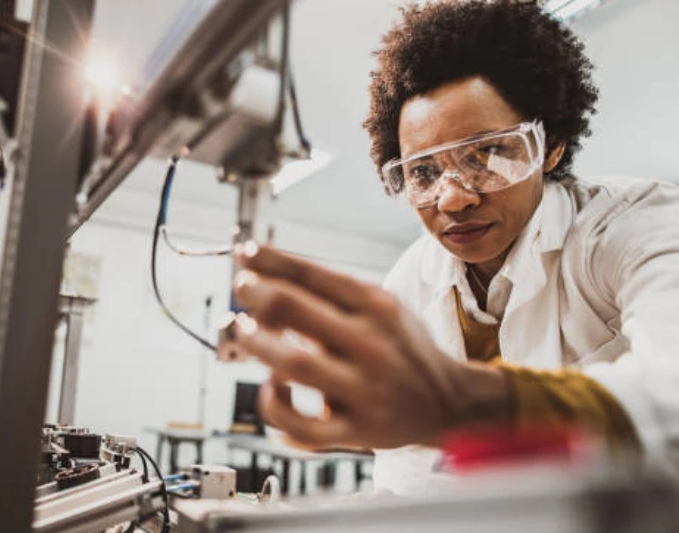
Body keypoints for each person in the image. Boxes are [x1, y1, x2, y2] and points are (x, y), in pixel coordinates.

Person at [229, 0, 679, 493]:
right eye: (423, 172)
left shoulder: (637, 225)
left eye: (487, 155)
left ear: (551, 146)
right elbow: (410, 480)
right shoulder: (412, 277)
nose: (454, 198)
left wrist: (464, 402)